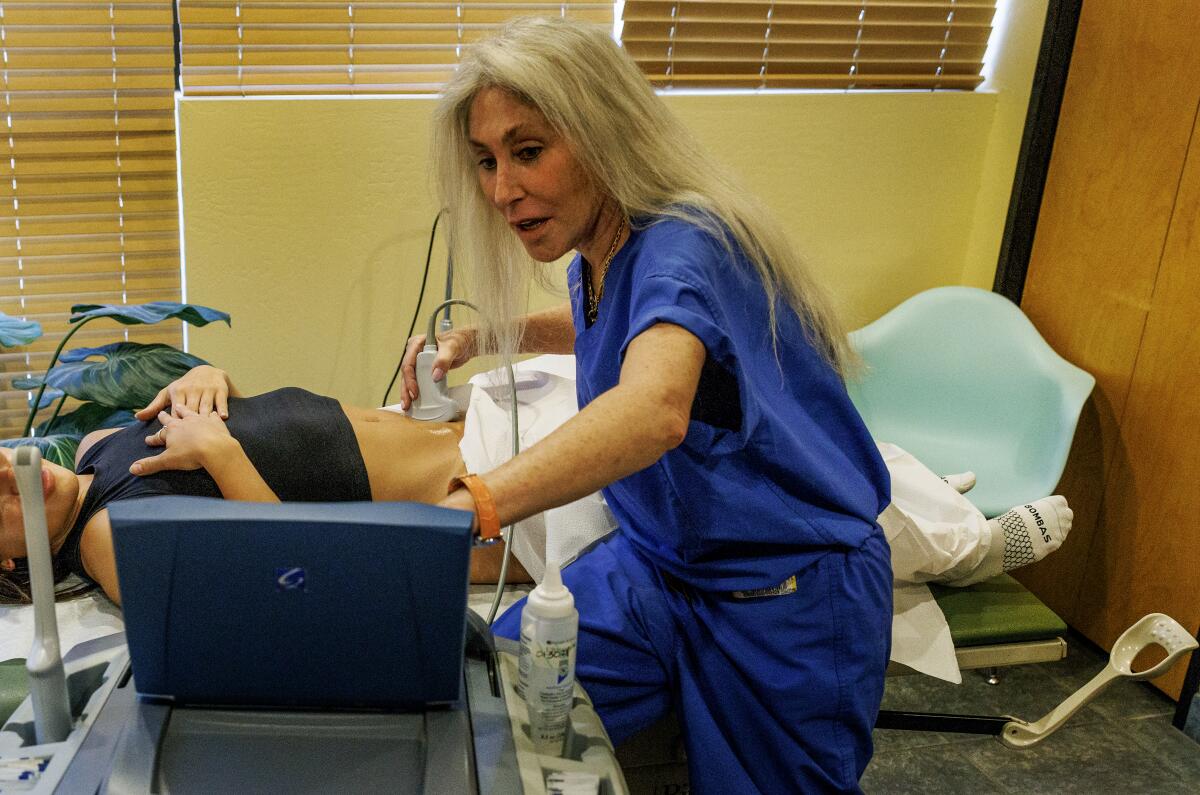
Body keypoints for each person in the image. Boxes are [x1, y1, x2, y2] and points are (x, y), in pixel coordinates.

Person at [398, 16, 891, 792]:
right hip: (657, 569)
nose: (501, 189)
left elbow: (654, 406)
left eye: (528, 152)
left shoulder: (685, 242)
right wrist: (496, 333)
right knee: (483, 698)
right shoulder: (604, 248)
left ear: (604, 131)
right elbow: (627, 327)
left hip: (782, 593)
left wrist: (478, 502)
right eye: (486, 161)